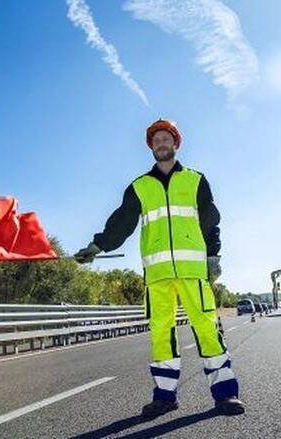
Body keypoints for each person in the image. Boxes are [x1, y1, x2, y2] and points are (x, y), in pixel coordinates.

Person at [74, 119, 245, 418]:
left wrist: (213, 256)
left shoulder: (195, 180)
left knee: (207, 329)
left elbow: (210, 222)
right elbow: (121, 223)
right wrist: (97, 246)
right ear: (151, 148)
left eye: (166, 139)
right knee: (161, 335)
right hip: (158, 276)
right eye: (156, 141)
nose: (161, 144)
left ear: (175, 144)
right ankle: (165, 397)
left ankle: (226, 395)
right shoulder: (139, 187)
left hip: (193, 273)